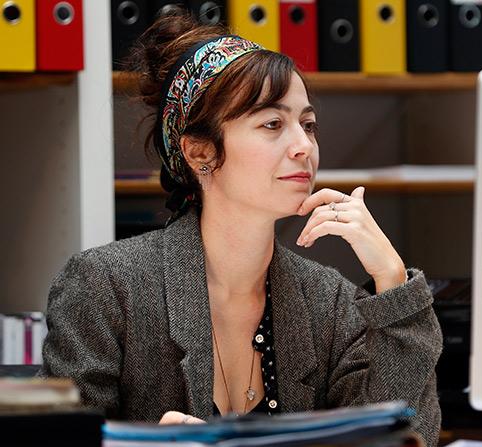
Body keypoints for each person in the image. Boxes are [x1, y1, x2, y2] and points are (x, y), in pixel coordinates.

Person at [40, 10, 443, 446]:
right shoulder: (104, 288)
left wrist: (393, 282)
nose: (303, 146)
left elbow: (406, 437)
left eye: (308, 125)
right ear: (199, 153)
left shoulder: (330, 304)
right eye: (272, 124)